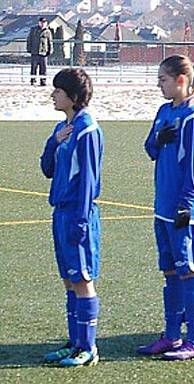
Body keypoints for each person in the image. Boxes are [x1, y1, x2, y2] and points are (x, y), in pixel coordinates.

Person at [138, 55, 194, 361]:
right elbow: (150, 148)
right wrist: (158, 136)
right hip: (162, 205)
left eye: (163, 80)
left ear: (181, 80)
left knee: (189, 272)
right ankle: (171, 335)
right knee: (170, 273)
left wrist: (187, 205)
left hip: (182, 209)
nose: (159, 85)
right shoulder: (164, 111)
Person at [39, 68, 103, 367]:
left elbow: (89, 180)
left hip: (78, 214)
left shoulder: (88, 130)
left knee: (82, 279)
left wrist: (80, 220)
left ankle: (89, 347)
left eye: (58, 91)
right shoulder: (64, 127)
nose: (53, 95)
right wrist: (54, 140)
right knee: (68, 279)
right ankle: (75, 340)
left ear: (73, 97)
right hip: (60, 213)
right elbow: (47, 169)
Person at [26, 17, 53, 86]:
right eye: (41, 22)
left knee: (43, 68)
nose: (42, 24)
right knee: (34, 67)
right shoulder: (34, 30)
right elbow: (29, 40)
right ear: (39, 22)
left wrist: (50, 50)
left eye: (44, 22)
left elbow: (50, 42)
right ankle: (33, 80)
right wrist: (29, 49)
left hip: (43, 52)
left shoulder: (47, 31)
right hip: (34, 52)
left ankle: (43, 81)